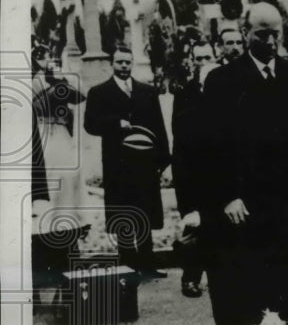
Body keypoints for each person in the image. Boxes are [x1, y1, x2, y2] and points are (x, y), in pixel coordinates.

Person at [202, 3, 288, 325]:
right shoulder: (222, 81)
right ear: (245, 33)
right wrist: (227, 195)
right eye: (262, 34)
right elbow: (210, 147)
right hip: (246, 201)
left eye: (275, 34)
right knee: (250, 281)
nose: (270, 41)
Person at [83, 45, 170, 277]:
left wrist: (164, 160)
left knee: (145, 212)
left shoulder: (147, 91)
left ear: (132, 63)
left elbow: (159, 127)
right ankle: (128, 266)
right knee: (123, 213)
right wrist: (115, 123)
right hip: (117, 164)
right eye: (120, 62)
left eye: (127, 62)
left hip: (145, 162)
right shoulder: (99, 92)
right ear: (112, 63)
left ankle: (148, 265)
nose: (124, 66)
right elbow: (90, 125)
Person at [171, 38, 218, 298]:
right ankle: (191, 278)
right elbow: (180, 144)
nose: (203, 63)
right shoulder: (185, 93)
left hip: (222, 173)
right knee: (194, 226)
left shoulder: (226, 88)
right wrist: (185, 201)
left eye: (207, 57)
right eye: (198, 58)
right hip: (196, 173)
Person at [31, 42, 84, 210]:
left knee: (62, 172)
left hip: (53, 130)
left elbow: (77, 96)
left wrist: (60, 80)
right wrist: (58, 82)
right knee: (55, 171)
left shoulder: (50, 79)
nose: (50, 61)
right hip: (46, 130)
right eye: (47, 58)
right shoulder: (39, 79)